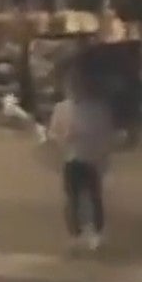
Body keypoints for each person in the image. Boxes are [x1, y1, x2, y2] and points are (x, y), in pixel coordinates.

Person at [46, 67, 116, 252]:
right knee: (73, 198)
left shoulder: (96, 108)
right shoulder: (61, 109)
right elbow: (53, 133)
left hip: (91, 158)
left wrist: (102, 155)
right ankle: (75, 234)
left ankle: (95, 232)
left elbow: (105, 134)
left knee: (94, 197)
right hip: (71, 158)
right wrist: (63, 137)